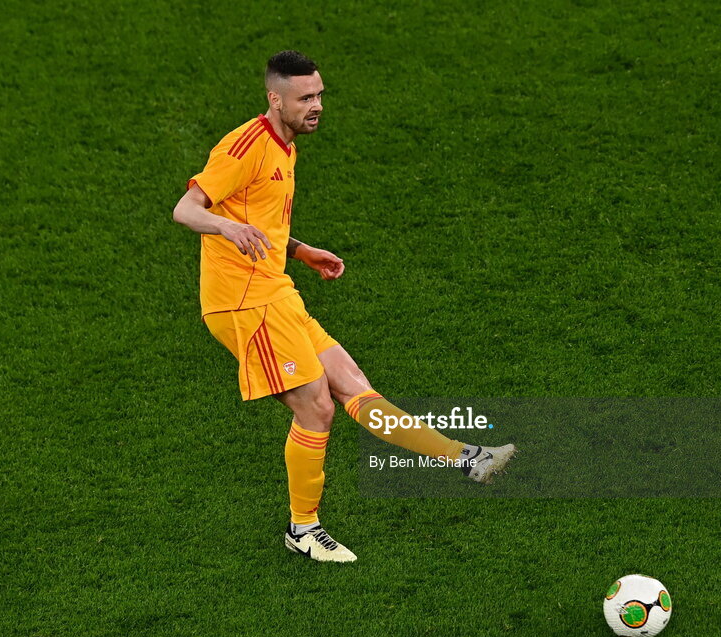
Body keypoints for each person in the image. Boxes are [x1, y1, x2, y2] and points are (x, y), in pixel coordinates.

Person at [172, 50, 515, 563]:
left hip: (276, 291)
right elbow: (186, 209)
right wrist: (226, 227)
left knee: (353, 384)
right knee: (316, 407)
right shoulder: (244, 146)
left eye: (319, 95)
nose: (316, 106)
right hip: (243, 304)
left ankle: (467, 458)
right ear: (275, 98)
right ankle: (303, 529)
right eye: (305, 98)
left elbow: (256, 215)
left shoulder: (285, 145)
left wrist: (298, 249)